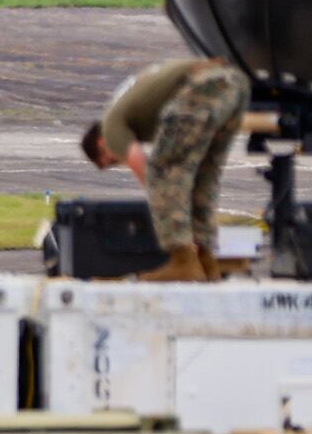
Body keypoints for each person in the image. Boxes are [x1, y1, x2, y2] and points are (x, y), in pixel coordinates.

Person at [82, 58, 251, 282]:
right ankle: (205, 260)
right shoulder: (129, 108)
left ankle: (183, 261)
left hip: (202, 88)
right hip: (235, 85)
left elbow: (144, 167)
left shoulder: (110, 126)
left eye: (109, 160)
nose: (117, 159)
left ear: (101, 145)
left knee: (162, 172)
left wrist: (162, 204)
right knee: (202, 177)